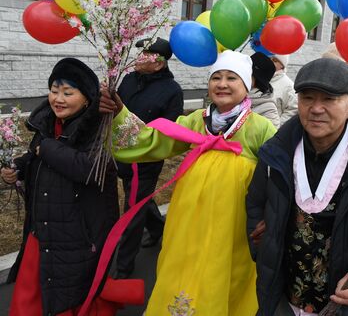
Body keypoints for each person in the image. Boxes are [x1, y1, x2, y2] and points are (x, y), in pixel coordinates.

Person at [99, 50, 276, 315]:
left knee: (228, 270)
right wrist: (119, 112)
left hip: (233, 221)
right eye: (216, 77)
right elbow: (154, 138)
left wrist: (268, 217)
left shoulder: (261, 127)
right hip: (189, 216)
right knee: (182, 265)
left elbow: (279, 174)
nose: (222, 84)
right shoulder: (196, 121)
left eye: (231, 78)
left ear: (248, 84)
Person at [246, 58, 348, 315]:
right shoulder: (276, 152)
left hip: (343, 305)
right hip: (281, 299)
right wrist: (263, 251)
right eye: (307, 98)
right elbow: (255, 203)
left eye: (329, 99)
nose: (316, 109)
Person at [2, 58, 119, 315]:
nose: (58, 99)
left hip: (77, 236)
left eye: (68, 92)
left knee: (70, 298)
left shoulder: (99, 127)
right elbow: (36, 156)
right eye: (54, 91)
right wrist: (18, 170)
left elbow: (89, 169)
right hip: (42, 231)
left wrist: (47, 148)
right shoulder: (47, 123)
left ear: (87, 98)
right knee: (31, 299)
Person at [114, 37, 183, 279]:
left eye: (145, 54)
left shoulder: (172, 91)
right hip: (121, 152)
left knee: (132, 210)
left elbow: (169, 130)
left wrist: (145, 140)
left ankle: (123, 267)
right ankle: (157, 227)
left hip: (146, 160)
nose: (138, 57)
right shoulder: (129, 80)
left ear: (159, 63)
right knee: (140, 200)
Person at [250, 52, 280, 128]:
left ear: (257, 80)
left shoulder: (269, 110)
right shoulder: (235, 96)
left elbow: (271, 137)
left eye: (249, 73)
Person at [270, 54, 298, 125]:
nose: (270, 62)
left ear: (282, 65)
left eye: (275, 60)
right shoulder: (258, 79)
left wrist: (277, 127)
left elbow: (292, 110)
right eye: (268, 58)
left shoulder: (289, 86)